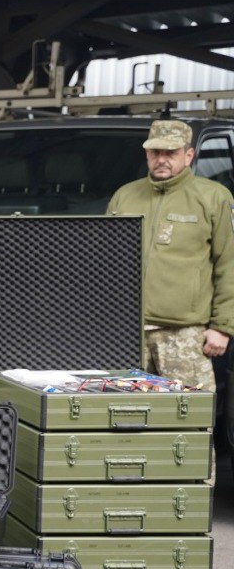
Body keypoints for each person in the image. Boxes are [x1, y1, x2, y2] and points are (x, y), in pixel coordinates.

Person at [108, 119, 234, 390]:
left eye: (170, 153)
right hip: (125, 332)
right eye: (155, 152)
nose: (161, 160)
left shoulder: (214, 198)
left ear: (188, 155)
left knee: (189, 411)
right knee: (118, 409)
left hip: (185, 335)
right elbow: (102, 263)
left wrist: (223, 327)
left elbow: (229, 263)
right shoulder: (124, 196)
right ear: (146, 154)